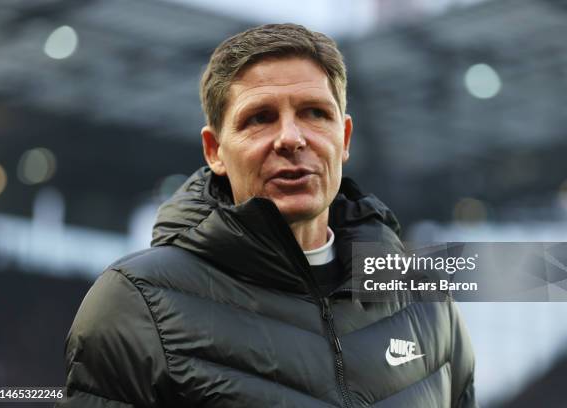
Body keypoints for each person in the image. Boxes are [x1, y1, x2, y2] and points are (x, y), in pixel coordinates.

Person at [57, 23, 477, 407]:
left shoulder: (427, 305)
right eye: (260, 118)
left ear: (344, 137)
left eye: (315, 113)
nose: (292, 139)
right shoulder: (136, 305)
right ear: (214, 151)